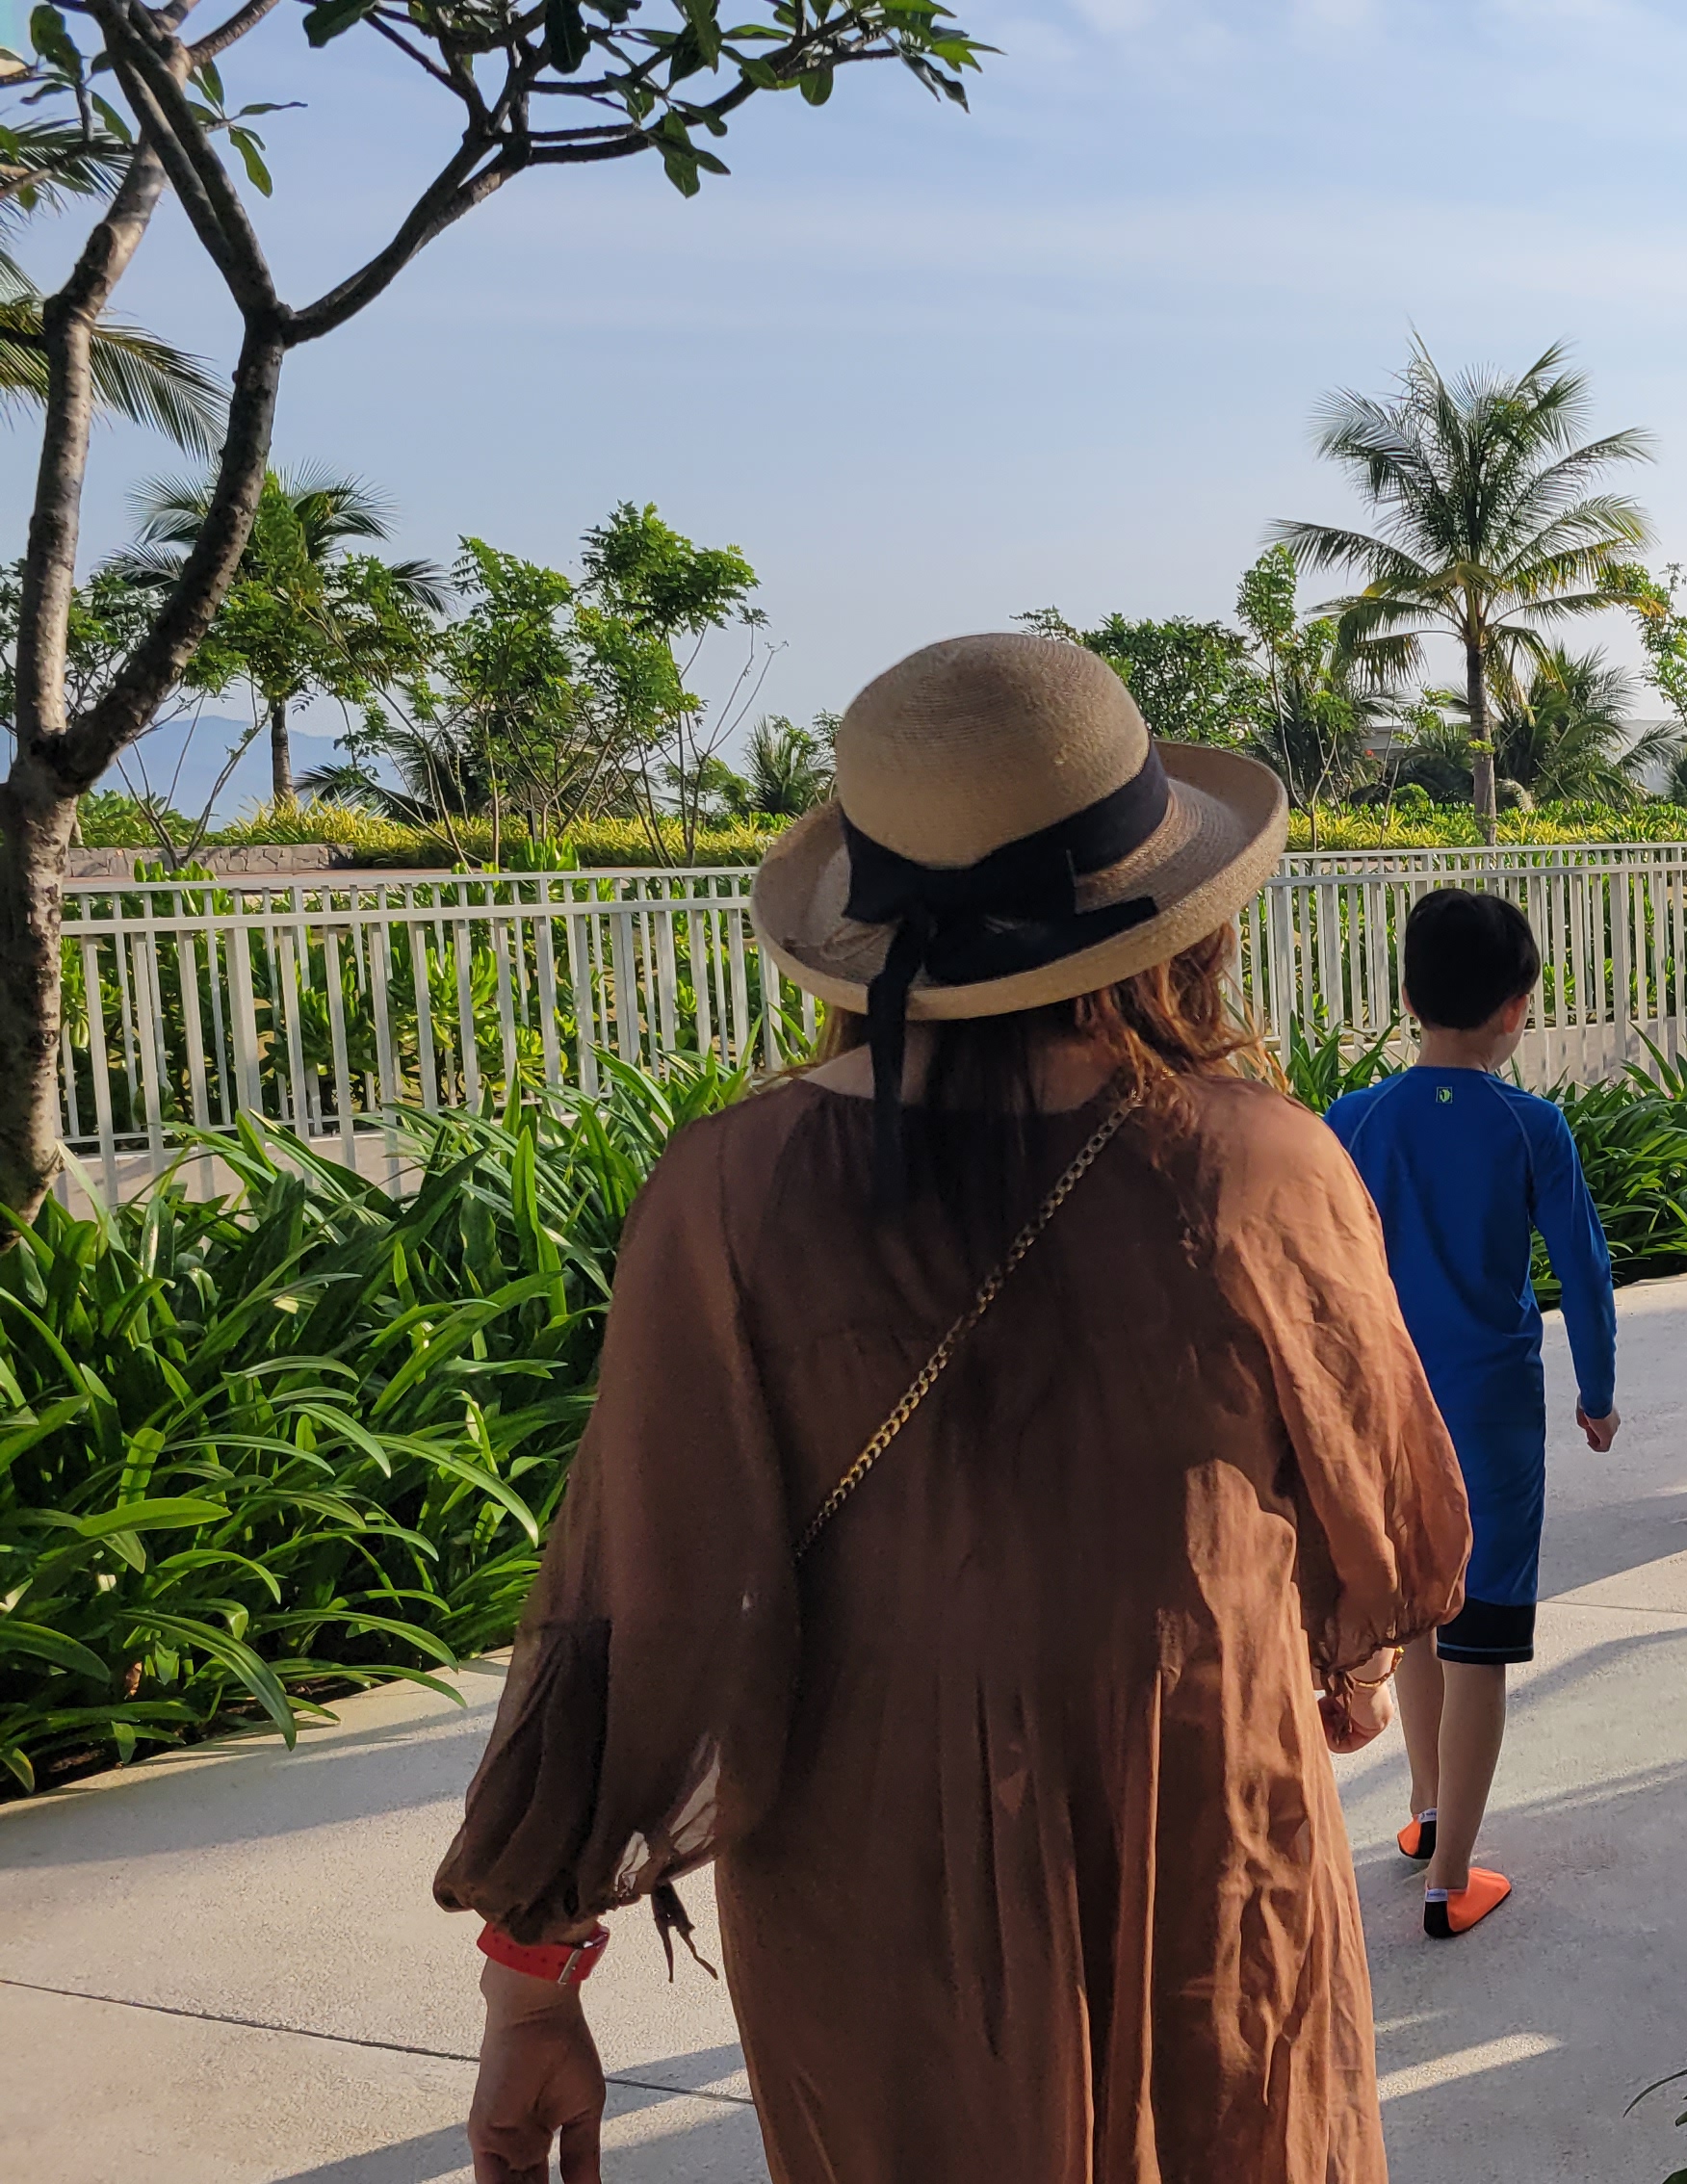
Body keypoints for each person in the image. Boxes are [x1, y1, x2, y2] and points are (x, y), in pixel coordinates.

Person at [433, 634, 1472, 2184]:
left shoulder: (723, 1197)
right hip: (1203, 1840)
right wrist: (1345, 1653)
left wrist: (533, 1986)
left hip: (863, 1884)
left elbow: (635, 1598)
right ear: (1165, 919)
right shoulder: (1260, 1168)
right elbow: (1387, 1520)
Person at [1324, 889, 1621, 1941]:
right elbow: (1584, 1273)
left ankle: (1425, 1809)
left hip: (1385, 1411)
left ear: (1407, 998)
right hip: (1490, 1417)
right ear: (1516, 1009)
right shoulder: (1530, 1126)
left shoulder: (1352, 1121)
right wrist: (1597, 1393)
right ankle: (1452, 1879)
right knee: (1482, 1637)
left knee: (1417, 1614)